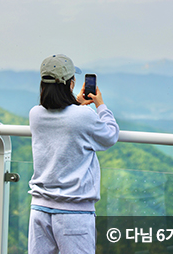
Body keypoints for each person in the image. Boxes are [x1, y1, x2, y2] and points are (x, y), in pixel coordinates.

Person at [28, 54, 119, 254]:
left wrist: (76, 104)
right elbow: (110, 136)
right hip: (74, 211)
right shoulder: (83, 116)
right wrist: (101, 106)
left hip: (40, 209)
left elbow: (65, 121)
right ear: (71, 83)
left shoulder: (35, 114)